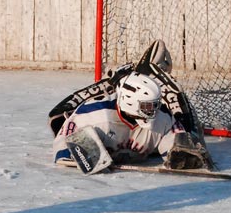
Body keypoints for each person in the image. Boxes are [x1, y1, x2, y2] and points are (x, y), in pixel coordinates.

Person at [50, 40, 212, 174]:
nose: (154, 110)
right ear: (130, 101)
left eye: (156, 104)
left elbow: (181, 151)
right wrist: (78, 151)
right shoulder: (95, 114)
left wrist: (183, 151)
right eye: (148, 106)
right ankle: (115, 81)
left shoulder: (161, 119)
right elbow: (62, 145)